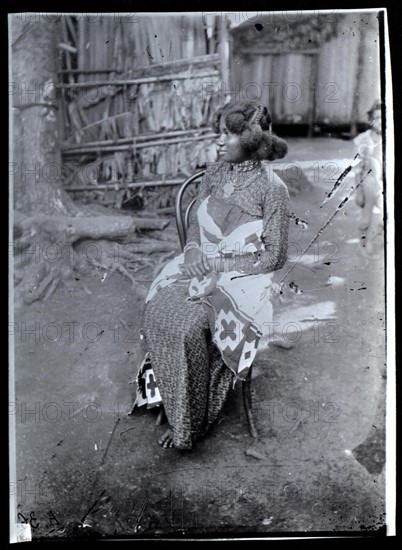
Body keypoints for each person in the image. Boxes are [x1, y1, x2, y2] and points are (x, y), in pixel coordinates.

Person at [133, 100, 290, 450]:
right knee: (158, 309)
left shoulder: (272, 189)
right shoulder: (215, 172)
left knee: (189, 325)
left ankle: (190, 424)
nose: (219, 141)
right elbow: (194, 222)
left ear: (250, 140)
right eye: (218, 133)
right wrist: (191, 251)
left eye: (228, 134)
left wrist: (217, 267)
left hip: (245, 277)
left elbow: (275, 256)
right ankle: (173, 396)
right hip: (200, 263)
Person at [353, 101, 383, 255]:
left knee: (385, 215)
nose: (381, 121)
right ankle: (363, 244)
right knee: (366, 218)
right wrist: (359, 192)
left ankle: (378, 242)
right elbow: (358, 170)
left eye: (384, 117)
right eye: (377, 118)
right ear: (371, 120)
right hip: (369, 183)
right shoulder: (364, 140)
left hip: (384, 185)